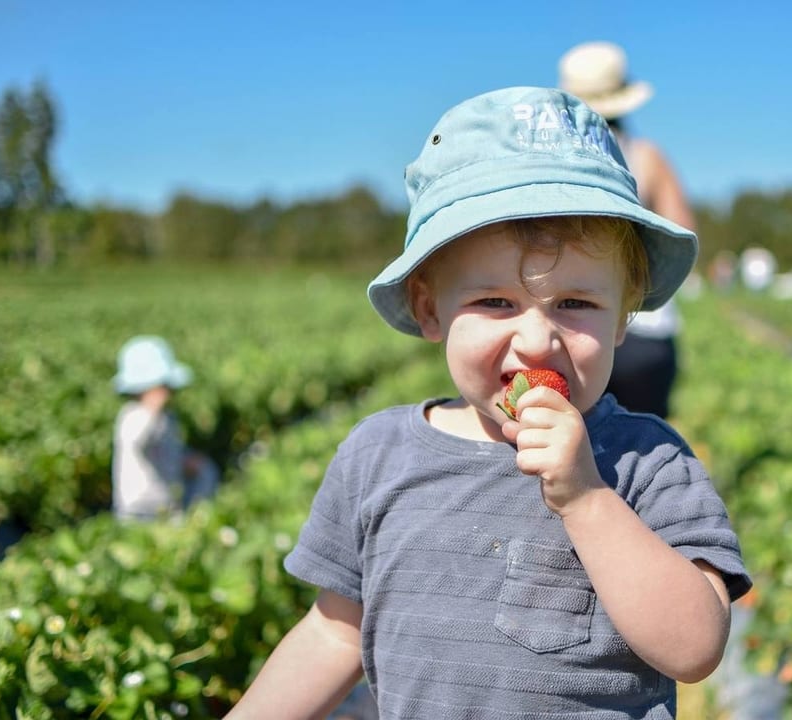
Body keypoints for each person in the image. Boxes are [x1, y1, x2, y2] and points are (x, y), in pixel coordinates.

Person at [225, 86, 750, 719]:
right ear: (429, 309)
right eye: (495, 302)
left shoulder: (647, 462)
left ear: (623, 318)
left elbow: (694, 647)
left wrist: (587, 499)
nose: (536, 340)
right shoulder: (376, 457)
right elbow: (332, 633)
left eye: (576, 304)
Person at [558, 41, 696, 419]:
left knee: (568, 448)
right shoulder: (645, 156)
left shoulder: (556, 162)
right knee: (643, 453)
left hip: (569, 326)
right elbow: (682, 231)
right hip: (644, 325)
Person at [111, 335, 219, 520]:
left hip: (165, 504)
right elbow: (137, 441)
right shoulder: (132, 416)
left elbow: (170, 450)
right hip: (138, 510)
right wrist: (151, 409)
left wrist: (185, 460)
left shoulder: (167, 417)